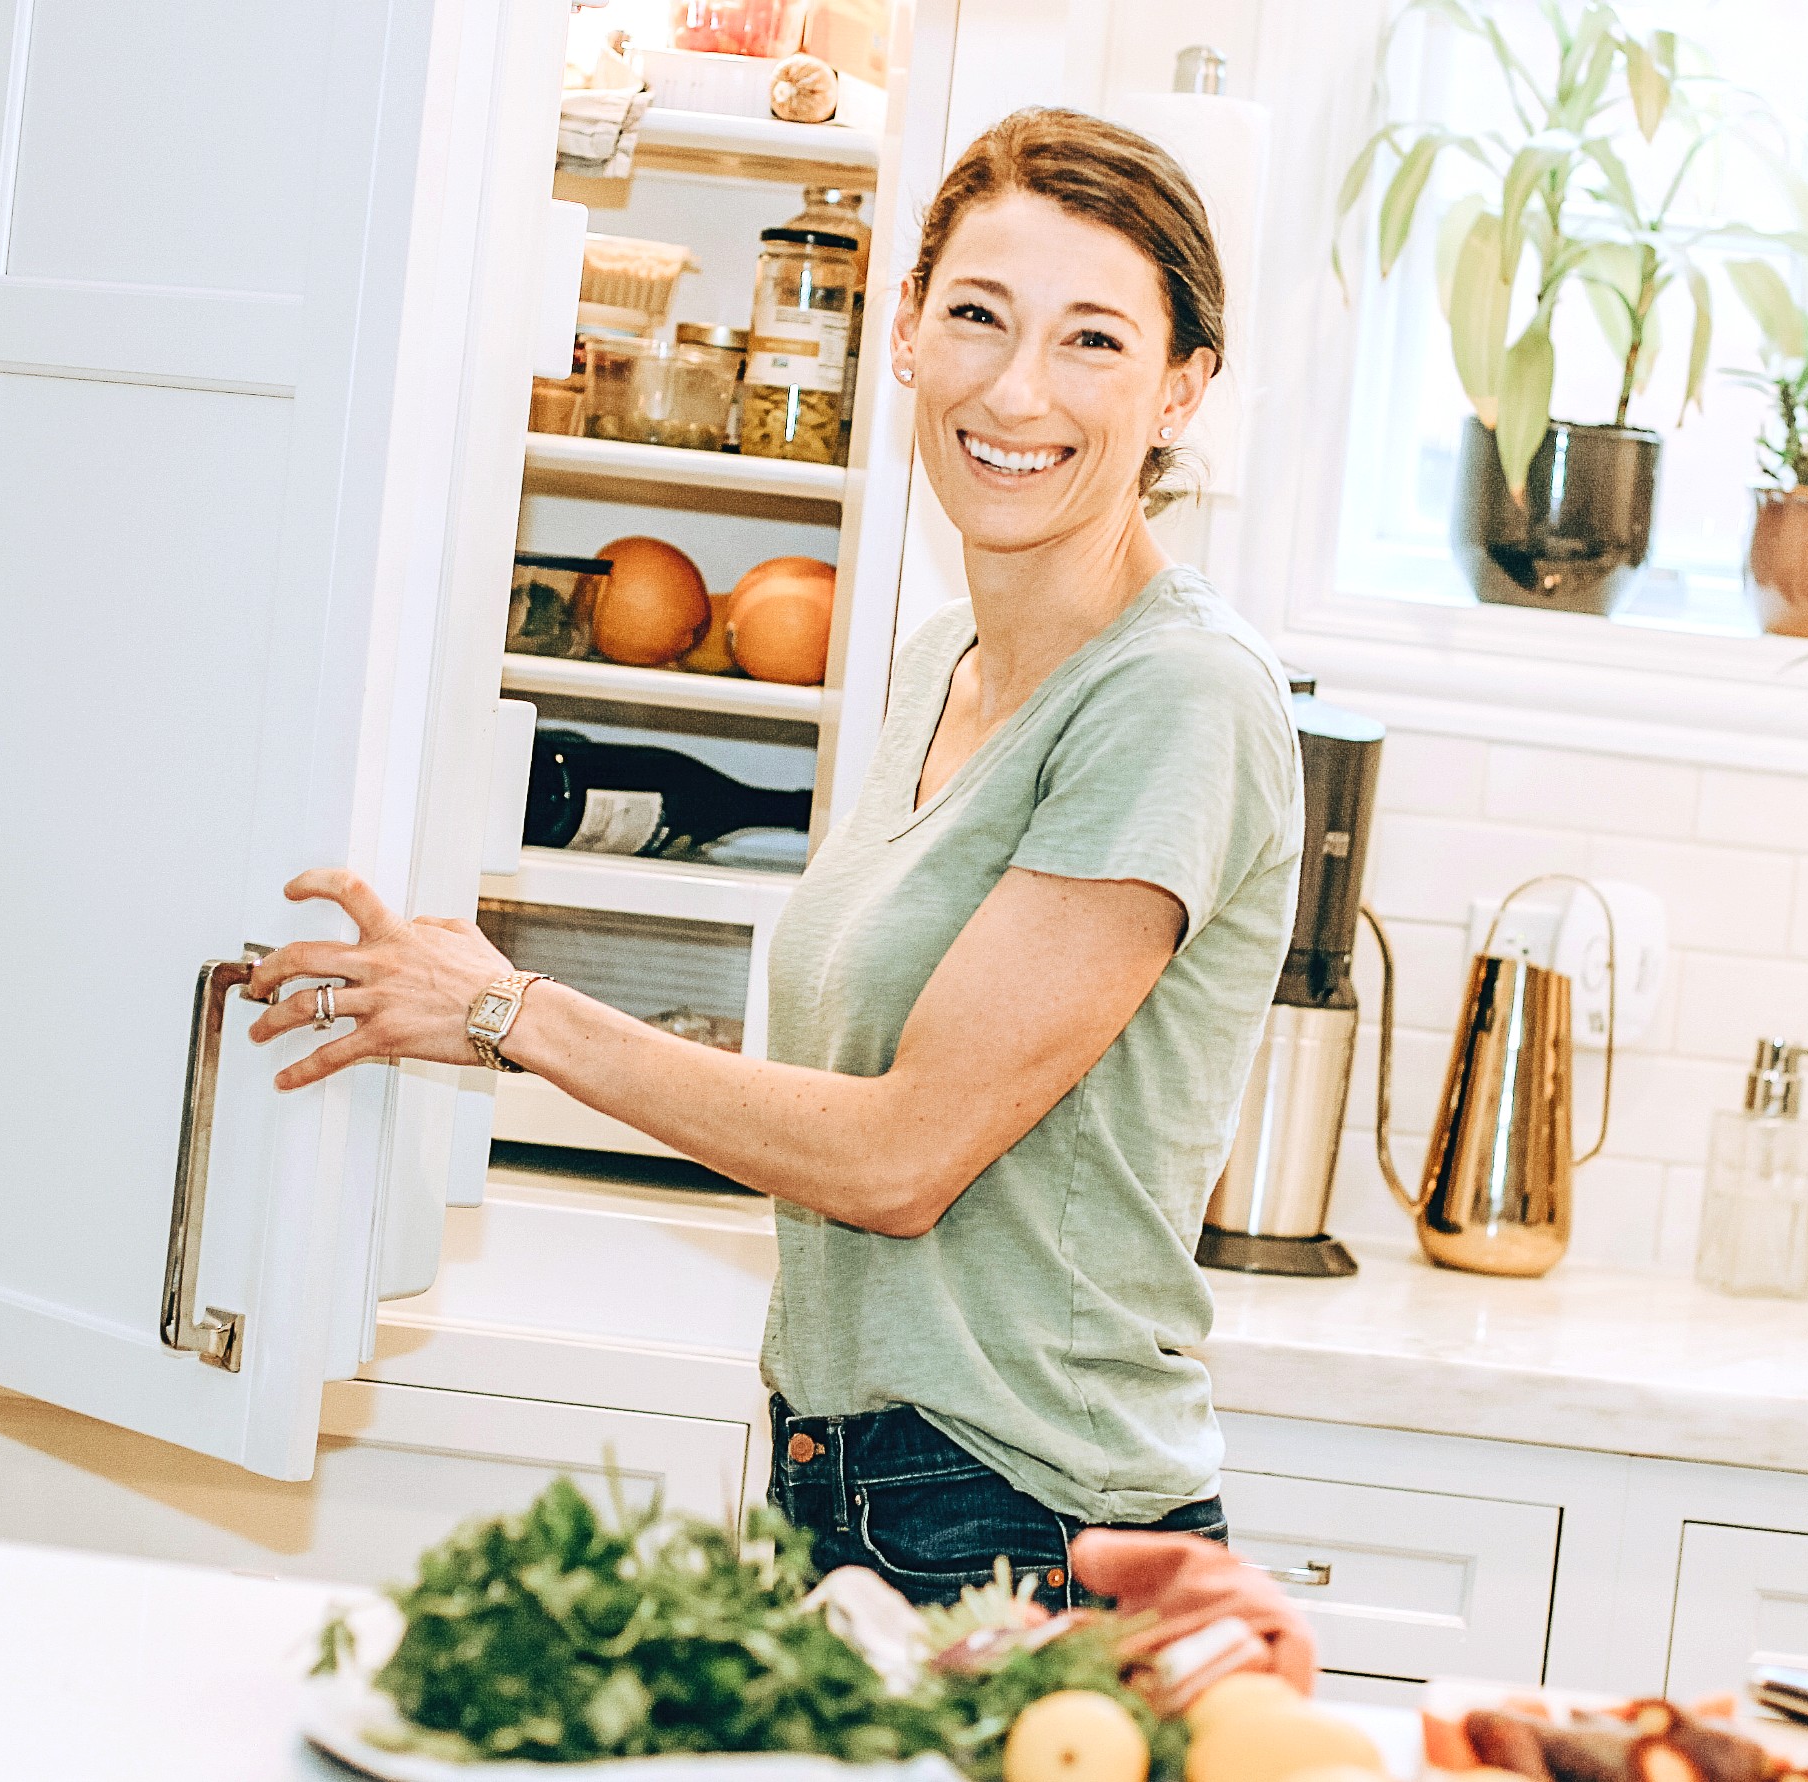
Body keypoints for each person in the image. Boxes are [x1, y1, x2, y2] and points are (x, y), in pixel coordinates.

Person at [244, 107, 1298, 1609]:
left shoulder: (1175, 695)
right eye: (981, 318)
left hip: (1032, 1522)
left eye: (1093, 342)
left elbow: (899, 1156)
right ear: (908, 335)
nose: (1016, 388)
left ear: (1184, 388)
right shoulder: (946, 663)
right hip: (852, 1482)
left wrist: (507, 1011)